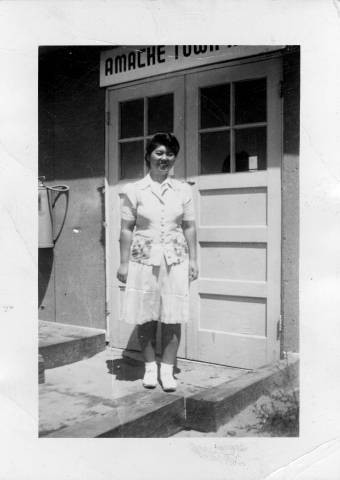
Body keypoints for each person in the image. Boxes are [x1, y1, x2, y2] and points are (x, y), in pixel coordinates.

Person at [117, 132, 198, 392]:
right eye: (159, 153)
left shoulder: (183, 190)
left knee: (173, 315)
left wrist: (194, 259)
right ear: (149, 156)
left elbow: (189, 227)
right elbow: (127, 229)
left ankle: (168, 370)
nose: (164, 158)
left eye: (170, 154)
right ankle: (150, 367)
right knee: (146, 314)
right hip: (143, 259)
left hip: (175, 258)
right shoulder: (134, 190)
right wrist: (123, 263)